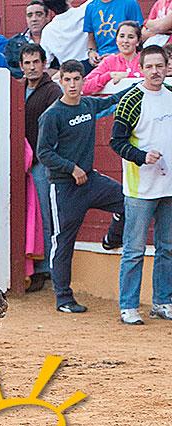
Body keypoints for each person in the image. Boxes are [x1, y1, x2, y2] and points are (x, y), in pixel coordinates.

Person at [37, 59, 129, 313]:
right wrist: (71, 168)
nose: (72, 85)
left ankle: (112, 238)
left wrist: (141, 84)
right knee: (63, 241)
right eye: (67, 79)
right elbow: (44, 152)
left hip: (89, 180)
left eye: (76, 79)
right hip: (64, 186)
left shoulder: (88, 104)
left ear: (83, 81)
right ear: (61, 81)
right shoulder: (52, 115)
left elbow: (114, 100)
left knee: (127, 201)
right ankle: (63, 298)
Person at [109, 45, 172, 323]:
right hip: (140, 188)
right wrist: (141, 156)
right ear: (141, 69)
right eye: (150, 67)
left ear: (167, 67)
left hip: (170, 186)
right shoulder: (131, 99)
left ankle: (163, 301)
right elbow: (116, 141)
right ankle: (128, 306)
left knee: (167, 247)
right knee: (134, 250)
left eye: (160, 66)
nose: (155, 71)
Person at [21, 43, 62, 291]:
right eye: (27, 63)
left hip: (41, 163)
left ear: (44, 64)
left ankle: (44, 267)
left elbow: (55, 128)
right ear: (21, 65)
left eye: (36, 62)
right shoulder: (17, 87)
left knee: (43, 214)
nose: (32, 67)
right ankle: (29, 265)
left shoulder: (52, 90)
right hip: (20, 161)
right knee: (26, 214)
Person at [83, 21, 143, 94]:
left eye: (130, 37)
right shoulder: (109, 61)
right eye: (122, 36)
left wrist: (127, 75)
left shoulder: (145, 59)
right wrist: (110, 75)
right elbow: (84, 86)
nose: (125, 41)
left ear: (138, 41)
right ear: (116, 40)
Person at [5, 0, 58, 78]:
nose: (34, 19)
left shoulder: (57, 39)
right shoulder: (13, 43)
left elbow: (63, 65)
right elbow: (9, 69)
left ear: (47, 17)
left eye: (39, 14)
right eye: (30, 15)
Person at [84, 0, 143, 67]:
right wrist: (92, 52)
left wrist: (116, 56)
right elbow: (91, 38)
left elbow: (139, 36)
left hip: (126, 60)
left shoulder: (129, 3)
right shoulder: (91, 6)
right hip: (100, 60)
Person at [41, 0, 95, 73]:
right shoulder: (85, 11)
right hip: (92, 67)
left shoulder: (47, 31)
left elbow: (44, 63)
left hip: (68, 73)